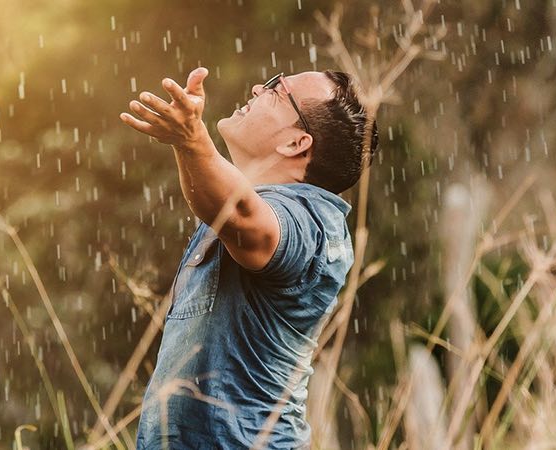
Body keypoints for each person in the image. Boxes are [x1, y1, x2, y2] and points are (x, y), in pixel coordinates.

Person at [119, 66, 378, 449]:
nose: (259, 86)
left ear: (295, 144)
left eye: (277, 89)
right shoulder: (258, 207)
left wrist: (192, 140)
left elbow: (244, 219)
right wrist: (186, 142)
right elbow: (222, 205)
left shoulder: (311, 221)